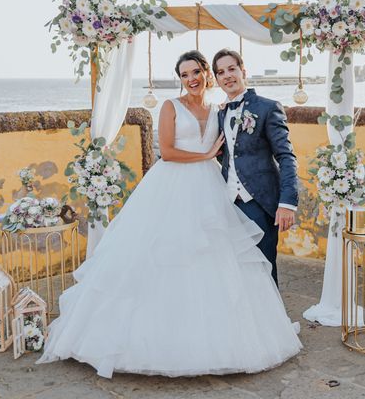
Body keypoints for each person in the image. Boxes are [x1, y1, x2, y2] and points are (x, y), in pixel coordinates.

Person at [36, 50, 302, 378]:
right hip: (175, 187)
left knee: (239, 263)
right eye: (184, 74)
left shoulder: (223, 109)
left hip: (217, 192)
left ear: (209, 75)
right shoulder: (171, 107)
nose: (192, 79)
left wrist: (286, 200)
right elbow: (169, 151)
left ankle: (258, 328)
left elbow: (268, 154)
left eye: (198, 72)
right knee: (168, 257)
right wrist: (205, 154)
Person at [213, 49, 299, 286]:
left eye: (232, 69)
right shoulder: (220, 113)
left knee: (264, 272)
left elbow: (286, 156)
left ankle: (271, 323)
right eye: (221, 72)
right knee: (234, 272)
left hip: (260, 204)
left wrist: (287, 203)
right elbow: (231, 155)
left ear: (243, 71)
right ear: (217, 79)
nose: (227, 76)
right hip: (228, 205)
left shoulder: (267, 108)